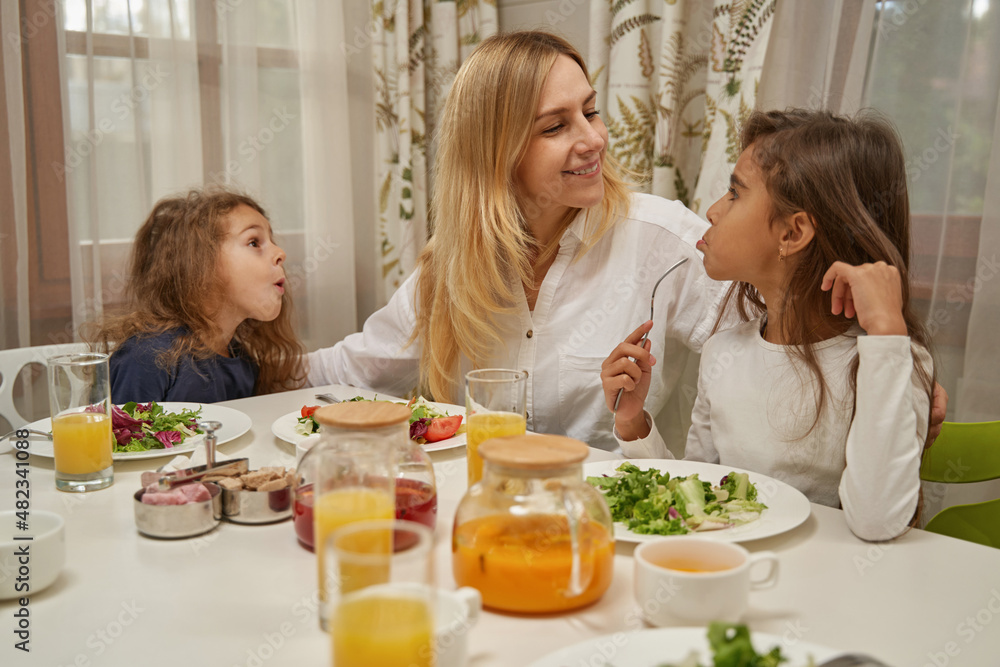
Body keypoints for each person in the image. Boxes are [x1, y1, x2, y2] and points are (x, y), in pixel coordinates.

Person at [307, 30, 727, 451]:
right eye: (556, 126)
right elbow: (349, 369)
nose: (594, 139)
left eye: (591, 111)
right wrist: (242, 349)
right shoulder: (451, 263)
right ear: (495, 152)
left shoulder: (662, 239)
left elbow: (769, 346)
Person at [601, 109, 935, 540]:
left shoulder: (890, 362)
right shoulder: (724, 351)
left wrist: (888, 338)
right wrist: (634, 425)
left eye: (735, 194)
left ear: (792, 234)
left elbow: (876, 522)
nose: (713, 211)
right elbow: (700, 499)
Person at [88, 188, 306, 403]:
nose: (280, 253)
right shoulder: (147, 357)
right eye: (254, 242)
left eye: (272, 241)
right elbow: (116, 437)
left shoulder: (244, 362)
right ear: (201, 265)